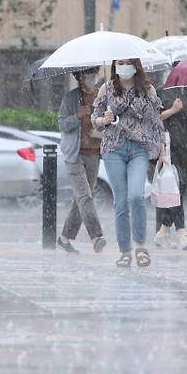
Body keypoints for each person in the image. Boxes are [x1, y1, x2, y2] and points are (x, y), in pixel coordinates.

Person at [91, 59, 167, 268]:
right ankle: (125, 251)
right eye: (120, 63)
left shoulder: (147, 89)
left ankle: (141, 246)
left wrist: (163, 150)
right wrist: (104, 120)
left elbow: (156, 121)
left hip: (138, 148)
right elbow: (94, 120)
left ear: (136, 65)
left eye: (128, 62)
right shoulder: (106, 88)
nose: (124, 66)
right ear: (115, 65)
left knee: (136, 196)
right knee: (121, 201)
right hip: (113, 149)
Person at [56, 66, 107, 254]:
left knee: (81, 198)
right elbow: (62, 123)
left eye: (95, 73)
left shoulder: (102, 96)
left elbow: (109, 121)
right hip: (74, 154)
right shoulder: (70, 98)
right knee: (85, 195)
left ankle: (64, 238)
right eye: (88, 74)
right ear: (79, 77)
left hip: (94, 152)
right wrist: (78, 114)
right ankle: (96, 237)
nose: (92, 77)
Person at [151, 66, 187, 250]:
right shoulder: (162, 92)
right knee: (174, 191)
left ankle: (163, 231)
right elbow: (155, 118)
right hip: (170, 147)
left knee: (180, 191)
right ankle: (182, 233)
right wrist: (173, 109)